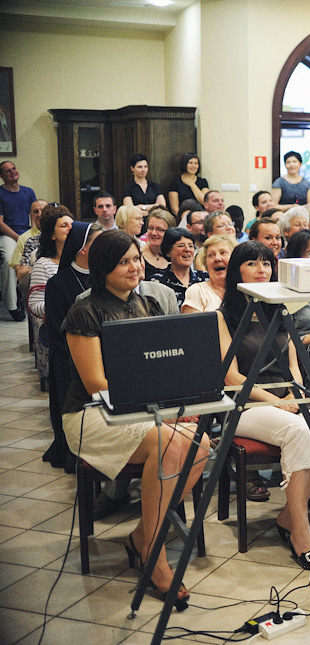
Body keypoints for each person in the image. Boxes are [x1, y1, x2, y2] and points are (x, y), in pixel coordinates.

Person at [63, 229, 209, 607]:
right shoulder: (85, 310)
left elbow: (166, 368)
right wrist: (156, 411)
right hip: (91, 414)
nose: (135, 267)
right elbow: (96, 382)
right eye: (124, 261)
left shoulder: (150, 305)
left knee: (201, 443)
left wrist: (178, 406)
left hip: (145, 408)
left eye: (137, 259)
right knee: (167, 443)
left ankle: (144, 536)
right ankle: (155, 558)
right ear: (103, 268)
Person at [218, 241, 310, 569]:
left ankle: (288, 516)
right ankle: (301, 534)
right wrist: (277, 402)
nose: (262, 271)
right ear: (236, 271)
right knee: (301, 432)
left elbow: (294, 366)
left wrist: (294, 395)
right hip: (242, 405)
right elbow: (231, 378)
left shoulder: (278, 308)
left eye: (267, 264)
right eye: (252, 264)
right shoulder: (222, 315)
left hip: (284, 398)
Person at [43, 222, 102, 471]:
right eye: (98, 242)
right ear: (82, 249)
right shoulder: (59, 283)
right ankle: (73, 456)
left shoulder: (104, 277)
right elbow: (56, 329)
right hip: (67, 358)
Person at [1, 161, 36, 320]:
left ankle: (34, 300)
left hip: (27, 234)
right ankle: (12, 306)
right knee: (10, 261)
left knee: (39, 259)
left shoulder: (28, 192)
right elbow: (0, 222)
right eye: (8, 171)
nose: (12, 172)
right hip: (7, 236)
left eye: (14, 168)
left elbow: (35, 216)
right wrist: (19, 237)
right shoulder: (0, 194)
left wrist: (33, 234)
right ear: (2, 176)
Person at [27, 206, 73, 320]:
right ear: (52, 235)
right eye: (64, 226)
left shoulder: (81, 261)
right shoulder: (43, 265)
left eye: (73, 225)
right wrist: (66, 306)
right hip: (56, 324)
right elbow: (35, 306)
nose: (70, 228)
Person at [148, 227, 207, 307]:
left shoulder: (205, 278)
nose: (187, 249)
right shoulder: (157, 281)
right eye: (181, 246)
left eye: (191, 246)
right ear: (168, 252)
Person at [181, 234, 236, 314]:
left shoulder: (244, 291)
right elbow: (191, 325)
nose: (217, 258)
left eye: (223, 253)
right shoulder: (197, 291)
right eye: (211, 255)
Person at [11, 198, 47, 282]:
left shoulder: (58, 234)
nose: (40, 214)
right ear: (31, 216)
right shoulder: (24, 238)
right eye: (36, 211)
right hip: (34, 281)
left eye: (43, 211)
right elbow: (19, 272)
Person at [141, 209, 176, 278]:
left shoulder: (176, 255)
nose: (153, 233)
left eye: (159, 230)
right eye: (151, 228)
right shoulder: (139, 255)